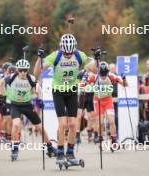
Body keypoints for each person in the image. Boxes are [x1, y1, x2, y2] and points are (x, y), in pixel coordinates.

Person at [34, 33, 96, 164]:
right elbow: (36, 73)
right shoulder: (55, 56)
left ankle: (70, 153)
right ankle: (60, 153)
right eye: (66, 53)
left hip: (72, 91)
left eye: (70, 53)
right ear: (61, 49)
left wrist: (96, 59)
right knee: (62, 124)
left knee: (73, 124)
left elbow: (95, 70)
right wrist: (39, 59)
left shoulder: (79, 55)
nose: (68, 55)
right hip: (58, 91)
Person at [7, 59, 56, 160]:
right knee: (16, 125)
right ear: (17, 70)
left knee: (40, 127)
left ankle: (50, 147)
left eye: (25, 70)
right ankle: (14, 148)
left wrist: (40, 99)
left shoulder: (31, 78)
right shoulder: (12, 77)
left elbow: (38, 89)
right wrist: (1, 98)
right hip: (15, 105)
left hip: (27, 105)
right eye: (20, 70)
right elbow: (1, 83)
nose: (23, 73)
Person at [87, 61, 127, 149]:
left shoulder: (111, 76)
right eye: (102, 74)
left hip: (108, 100)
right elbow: (83, 84)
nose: (104, 76)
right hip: (98, 101)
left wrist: (124, 79)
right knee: (100, 122)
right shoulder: (94, 77)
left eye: (105, 74)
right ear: (99, 72)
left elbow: (125, 85)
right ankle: (101, 140)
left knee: (112, 121)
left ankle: (114, 140)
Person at [76, 67, 96, 143]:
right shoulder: (81, 73)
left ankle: (89, 133)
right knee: (79, 116)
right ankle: (77, 135)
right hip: (82, 96)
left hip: (90, 97)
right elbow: (77, 84)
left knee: (92, 117)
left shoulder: (94, 74)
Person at [109, 63, 119, 136]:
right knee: (111, 117)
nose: (112, 70)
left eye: (113, 68)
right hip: (109, 100)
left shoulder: (118, 77)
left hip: (118, 99)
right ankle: (112, 133)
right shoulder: (107, 77)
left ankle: (117, 131)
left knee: (117, 116)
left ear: (115, 68)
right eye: (110, 69)